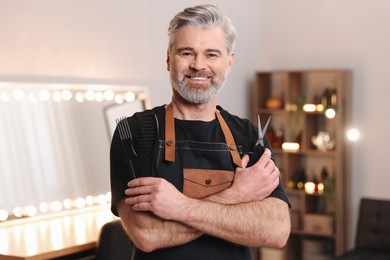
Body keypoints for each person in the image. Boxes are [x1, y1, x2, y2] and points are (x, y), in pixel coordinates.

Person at [110, 4, 290, 260]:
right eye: (187, 53)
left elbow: (276, 230)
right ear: (169, 58)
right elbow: (147, 235)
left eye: (212, 54)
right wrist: (237, 196)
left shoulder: (250, 136)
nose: (198, 65)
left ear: (229, 62)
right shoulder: (134, 132)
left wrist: (179, 207)